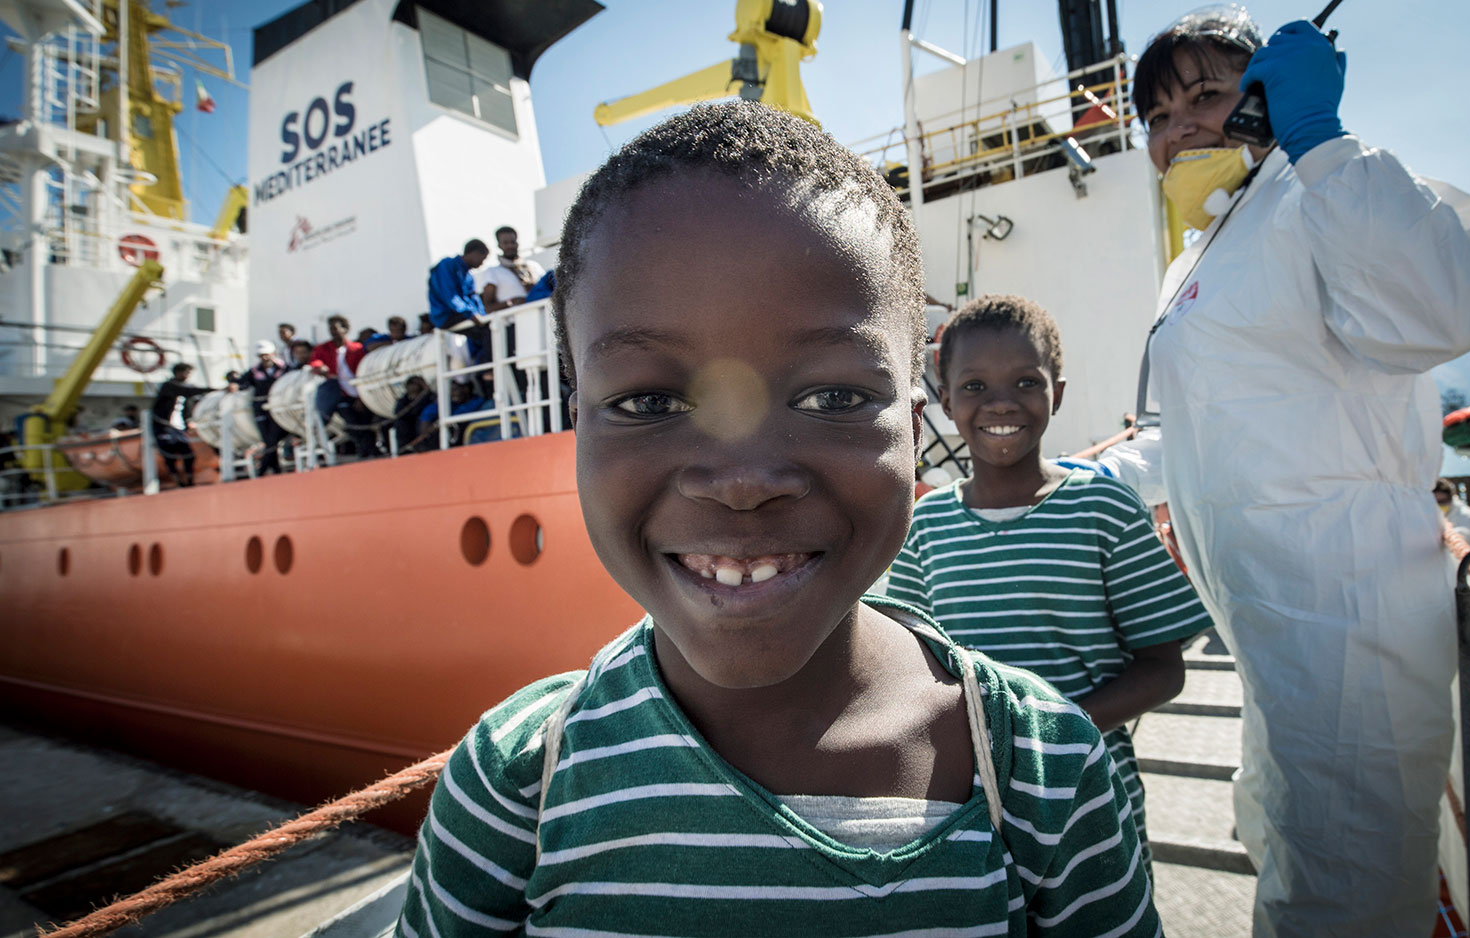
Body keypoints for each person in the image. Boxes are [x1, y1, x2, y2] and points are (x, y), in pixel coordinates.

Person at [398, 101, 1159, 937]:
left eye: (833, 396)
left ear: (913, 430)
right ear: (576, 419)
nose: (742, 481)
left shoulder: (1046, 771)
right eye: (649, 400)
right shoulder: (518, 782)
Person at [1099, 7, 1470, 935]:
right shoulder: (1209, 248)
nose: (1177, 129)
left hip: (1347, 608)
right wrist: (1085, 477)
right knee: (1281, 830)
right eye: (1156, 117)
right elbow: (1206, 428)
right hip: (1266, 621)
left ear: (1268, 97)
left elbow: (1446, 306)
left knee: (1343, 884)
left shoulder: (1321, 191)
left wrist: (1322, 140)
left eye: (1205, 96)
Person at [885, 294, 1211, 870]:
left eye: (1026, 383)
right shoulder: (926, 526)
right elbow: (910, 666)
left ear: (1057, 393)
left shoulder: (1102, 509)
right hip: (965, 806)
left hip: (1092, 795)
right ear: (944, 400)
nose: (1000, 404)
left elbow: (1164, 667)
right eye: (975, 387)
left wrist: (1046, 736)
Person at [309, 315, 375, 458]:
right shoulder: (323, 348)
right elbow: (315, 362)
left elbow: (363, 372)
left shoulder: (357, 349)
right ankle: (363, 451)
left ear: (345, 329)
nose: (333, 331)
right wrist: (321, 368)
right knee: (350, 421)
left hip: (357, 392)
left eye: (336, 328)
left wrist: (361, 396)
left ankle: (370, 451)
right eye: (330, 328)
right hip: (340, 394)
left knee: (365, 422)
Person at [427, 239, 491, 364]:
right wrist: (471, 314)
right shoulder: (447, 265)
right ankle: (486, 369)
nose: (481, 264)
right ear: (474, 253)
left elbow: (474, 299)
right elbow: (450, 296)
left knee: (489, 329)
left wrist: (483, 316)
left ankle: (484, 365)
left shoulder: (468, 275)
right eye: (482, 259)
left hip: (461, 315)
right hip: (445, 316)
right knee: (488, 331)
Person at [150, 363, 213, 487]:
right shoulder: (168, 386)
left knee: (188, 454)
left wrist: (188, 420)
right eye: (185, 372)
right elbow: (188, 392)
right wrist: (214, 389)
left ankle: (189, 480)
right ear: (177, 372)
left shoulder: (187, 388)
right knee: (169, 456)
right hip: (163, 427)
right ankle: (178, 481)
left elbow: (190, 401)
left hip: (178, 428)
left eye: (189, 373)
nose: (187, 375)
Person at [234, 341, 289, 475]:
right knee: (267, 439)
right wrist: (234, 385)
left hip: (277, 408)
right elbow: (241, 383)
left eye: (266, 354)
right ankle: (276, 470)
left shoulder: (283, 368)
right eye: (261, 355)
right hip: (260, 407)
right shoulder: (254, 371)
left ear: (273, 354)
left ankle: (261, 471)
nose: (264, 357)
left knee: (273, 438)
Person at [476, 224, 544, 313]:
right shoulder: (492, 272)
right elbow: (487, 308)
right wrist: (512, 302)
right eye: (505, 243)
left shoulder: (533, 266)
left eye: (513, 242)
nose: (510, 246)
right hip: (513, 322)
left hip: (542, 315)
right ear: (499, 245)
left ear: (517, 243)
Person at [1434, 478, 1470, 546]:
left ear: (1450, 498)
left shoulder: (1466, 514)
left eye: (1443, 501)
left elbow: (1468, 537)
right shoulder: (1428, 514)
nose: (1440, 505)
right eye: (1436, 502)